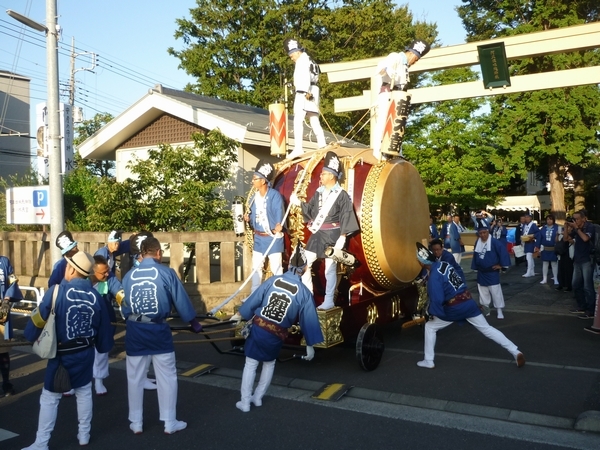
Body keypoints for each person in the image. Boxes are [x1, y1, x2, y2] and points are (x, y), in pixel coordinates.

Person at [22, 251, 114, 449]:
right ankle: (84, 435)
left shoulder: (56, 292)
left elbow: (37, 321)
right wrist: (102, 346)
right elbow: (104, 333)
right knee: (84, 393)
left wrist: (29, 336)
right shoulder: (95, 296)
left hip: (61, 355)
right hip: (86, 352)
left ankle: (41, 443)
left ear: (71, 268)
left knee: (49, 398)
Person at [121, 237, 203, 435]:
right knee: (166, 376)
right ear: (158, 253)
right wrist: (193, 322)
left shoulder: (129, 276)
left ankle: (136, 422)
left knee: (134, 377)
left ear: (142, 253)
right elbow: (181, 300)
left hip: (134, 329)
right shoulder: (166, 273)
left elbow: (124, 306)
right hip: (158, 330)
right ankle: (169, 421)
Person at [235, 244, 324, 412]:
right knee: (269, 363)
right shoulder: (304, 293)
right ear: (304, 269)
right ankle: (258, 398)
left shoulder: (273, 280)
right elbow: (309, 321)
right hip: (277, 334)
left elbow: (254, 300)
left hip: (260, 327)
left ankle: (245, 402)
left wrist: (240, 314)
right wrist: (310, 346)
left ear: (289, 265)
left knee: (251, 363)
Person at [415, 242, 525, 369]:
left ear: (422, 263)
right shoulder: (444, 265)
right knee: (487, 329)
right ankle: (515, 351)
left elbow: (437, 299)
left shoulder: (434, 276)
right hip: (468, 301)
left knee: (430, 327)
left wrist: (431, 313)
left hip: (454, 307)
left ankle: (429, 360)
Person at [289, 151, 360, 310]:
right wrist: (298, 203)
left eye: (323, 174)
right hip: (318, 235)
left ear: (331, 176)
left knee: (330, 268)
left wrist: (342, 238)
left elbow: (346, 215)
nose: (320, 176)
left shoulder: (341, 195)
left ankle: (329, 300)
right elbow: (311, 211)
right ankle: (308, 296)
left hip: (333, 234)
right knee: (303, 263)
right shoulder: (318, 193)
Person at [372, 40, 430, 159]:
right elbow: (381, 67)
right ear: (412, 54)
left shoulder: (405, 67)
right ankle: (379, 153)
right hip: (387, 96)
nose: (415, 62)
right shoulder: (396, 57)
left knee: (398, 126)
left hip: (398, 99)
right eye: (416, 59)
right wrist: (388, 70)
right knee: (384, 125)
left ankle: (397, 153)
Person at [244, 160, 285, 294]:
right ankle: (254, 294)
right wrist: (248, 219)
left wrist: (279, 224)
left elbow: (279, 212)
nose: (252, 182)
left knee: (276, 268)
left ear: (263, 181)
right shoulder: (253, 198)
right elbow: (252, 220)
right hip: (259, 238)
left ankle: (279, 294)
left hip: (272, 237)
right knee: (256, 268)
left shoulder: (274, 196)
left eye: (255, 179)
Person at [284, 38, 326, 159]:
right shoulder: (309, 59)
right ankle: (322, 144)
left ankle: (298, 148)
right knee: (313, 119)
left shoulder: (302, 61)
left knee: (298, 119)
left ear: (297, 51)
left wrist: (305, 90)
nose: (291, 58)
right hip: (313, 89)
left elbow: (304, 76)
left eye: (291, 55)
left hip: (304, 91)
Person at [90, 255, 124, 395]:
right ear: (92, 272)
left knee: (101, 352)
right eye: (103, 272)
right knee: (79, 352)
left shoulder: (110, 278)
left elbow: (120, 293)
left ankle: (99, 380)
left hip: (104, 320)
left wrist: (126, 305)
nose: (106, 274)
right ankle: (73, 381)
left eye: (107, 270)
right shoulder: (81, 279)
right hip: (84, 320)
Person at [471, 224, 511, 319]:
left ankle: (499, 310)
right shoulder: (478, 242)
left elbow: (503, 253)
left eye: (484, 232)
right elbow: (476, 255)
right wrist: (475, 266)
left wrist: (501, 265)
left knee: (495, 291)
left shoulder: (494, 242)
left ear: (488, 232)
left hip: (492, 271)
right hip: (481, 271)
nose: (483, 235)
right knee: (483, 291)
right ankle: (486, 310)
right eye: (480, 233)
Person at [0, 255, 22, 398]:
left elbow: (12, 280)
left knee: (3, 350)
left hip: (2, 311)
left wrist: (7, 299)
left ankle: (6, 383)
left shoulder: (4, 261)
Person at [569, 210, 596, 319]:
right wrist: (567, 228)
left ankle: (591, 310)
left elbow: (585, 238)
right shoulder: (577, 228)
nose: (576, 221)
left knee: (587, 286)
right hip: (577, 259)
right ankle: (581, 306)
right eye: (574, 219)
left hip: (587, 260)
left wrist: (576, 228)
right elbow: (567, 238)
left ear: (584, 218)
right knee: (575, 284)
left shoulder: (589, 227)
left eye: (578, 219)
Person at [538, 215, 560, 285]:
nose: (549, 221)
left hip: (553, 249)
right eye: (548, 219)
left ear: (553, 220)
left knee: (554, 264)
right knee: (545, 264)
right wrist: (538, 247)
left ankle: (556, 278)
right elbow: (539, 238)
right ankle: (544, 279)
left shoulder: (557, 228)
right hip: (545, 248)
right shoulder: (543, 228)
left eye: (550, 219)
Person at [555, 219, 574, 292]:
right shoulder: (563, 233)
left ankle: (569, 285)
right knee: (561, 270)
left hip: (569, 254)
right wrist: (557, 235)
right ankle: (561, 284)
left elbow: (567, 239)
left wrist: (565, 233)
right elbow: (557, 241)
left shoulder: (572, 234)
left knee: (569, 271)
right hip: (562, 254)